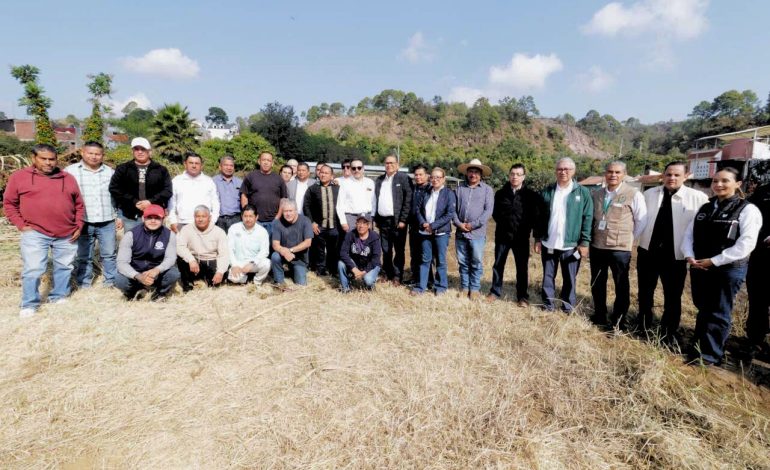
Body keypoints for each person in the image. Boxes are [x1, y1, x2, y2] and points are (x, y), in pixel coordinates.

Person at [683, 167, 762, 365]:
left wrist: (716, 260)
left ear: (738, 184)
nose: (719, 185)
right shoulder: (705, 207)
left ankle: (710, 355)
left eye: (725, 181)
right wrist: (689, 255)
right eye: (715, 181)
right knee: (703, 308)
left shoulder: (747, 209)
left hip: (727, 269)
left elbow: (746, 244)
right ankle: (698, 346)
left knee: (718, 311)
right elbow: (688, 235)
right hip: (700, 266)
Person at [4, 144, 84, 317]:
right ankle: (29, 304)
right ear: (34, 158)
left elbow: (79, 204)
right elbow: (9, 204)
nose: (48, 163)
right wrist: (21, 225)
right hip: (35, 233)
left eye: (52, 159)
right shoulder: (19, 177)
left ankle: (59, 295)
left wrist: (79, 225)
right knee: (33, 268)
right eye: (44, 159)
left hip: (66, 232)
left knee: (64, 266)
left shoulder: (67, 178)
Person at [636, 161, 708, 341]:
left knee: (673, 296)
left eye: (677, 175)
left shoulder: (697, 197)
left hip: (675, 255)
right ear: (663, 175)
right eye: (668, 174)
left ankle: (668, 332)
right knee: (645, 292)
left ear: (686, 176)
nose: (672, 178)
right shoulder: (650, 194)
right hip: (648, 251)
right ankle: (643, 325)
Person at [588, 161, 646, 330]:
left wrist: (630, 239)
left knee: (621, 284)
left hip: (619, 249)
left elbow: (641, 220)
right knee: (597, 282)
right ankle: (599, 315)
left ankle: (618, 319)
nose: (613, 175)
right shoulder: (596, 193)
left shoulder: (634, 194)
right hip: (598, 245)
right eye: (610, 171)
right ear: (605, 173)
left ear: (624, 174)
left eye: (617, 172)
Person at [534, 157, 593, 313]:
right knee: (548, 276)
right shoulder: (547, 192)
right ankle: (548, 305)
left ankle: (567, 307)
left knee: (569, 278)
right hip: (549, 243)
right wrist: (538, 238)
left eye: (567, 169)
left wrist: (585, 242)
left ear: (573, 171)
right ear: (556, 171)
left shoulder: (582, 192)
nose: (563, 172)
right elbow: (538, 217)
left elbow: (588, 218)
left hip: (571, 245)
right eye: (560, 169)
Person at [64, 141, 121, 288]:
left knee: (109, 254)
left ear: (102, 155)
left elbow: (117, 196)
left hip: (106, 220)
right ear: (82, 152)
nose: (94, 157)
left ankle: (110, 281)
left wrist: (118, 215)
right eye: (90, 153)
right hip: (83, 221)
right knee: (84, 255)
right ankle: (84, 282)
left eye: (98, 154)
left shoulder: (110, 172)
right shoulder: (70, 171)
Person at [488, 163, 540, 306]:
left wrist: (535, 236)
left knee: (522, 268)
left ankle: (522, 296)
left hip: (522, 238)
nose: (514, 177)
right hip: (502, 237)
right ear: (509, 175)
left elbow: (535, 217)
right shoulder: (500, 193)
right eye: (512, 174)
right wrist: (506, 225)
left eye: (518, 174)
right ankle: (494, 291)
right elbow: (495, 214)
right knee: (498, 265)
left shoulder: (531, 196)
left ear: (523, 177)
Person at [115, 204, 180, 300]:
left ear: (163, 219)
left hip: (156, 272)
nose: (153, 221)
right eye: (149, 217)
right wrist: (137, 276)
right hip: (135, 272)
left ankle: (159, 293)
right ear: (142, 218)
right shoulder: (130, 235)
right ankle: (132, 294)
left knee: (174, 274)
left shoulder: (170, 235)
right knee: (119, 279)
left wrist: (157, 270)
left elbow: (170, 258)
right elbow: (121, 263)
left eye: (157, 218)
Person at [109, 137, 172, 231]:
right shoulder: (123, 169)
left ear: (149, 151)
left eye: (143, 149)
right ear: (132, 151)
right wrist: (134, 201)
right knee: (133, 243)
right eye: (136, 149)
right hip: (131, 216)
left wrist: (150, 201)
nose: (140, 152)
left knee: (155, 244)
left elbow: (167, 191)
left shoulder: (160, 170)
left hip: (154, 216)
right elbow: (114, 189)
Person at [411, 168, 456, 296]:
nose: (435, 180)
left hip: (441, 233)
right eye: (433, 177)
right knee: (425, 260)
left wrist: (433, 225)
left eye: (438, 177)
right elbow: (418, 210)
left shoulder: (449, 193)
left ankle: (441, 287)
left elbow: (449, 214)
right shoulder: (427, 192)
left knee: (440, 261)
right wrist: (423, 223)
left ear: (443, 179)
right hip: (425, 232)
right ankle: (421, 287)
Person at [453, 159, 494, 300]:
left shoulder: (487, 190)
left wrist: (473, 225)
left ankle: (475, 288)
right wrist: (459, 224)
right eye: (471, 171)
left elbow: (488, 212)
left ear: (481, 174)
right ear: (467, 173)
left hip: (477, 233)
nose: (473, 174)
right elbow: (452, 210)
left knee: (476, 262)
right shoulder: (459, 189)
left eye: (476, 172)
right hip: (460, 232)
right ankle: (465, 287)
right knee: (463, 262)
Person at [374, 155, 412, 285]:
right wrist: (376, 219)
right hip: (383, 221)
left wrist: (403, 219)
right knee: (385, 249)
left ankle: (397, 276)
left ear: (397, 165)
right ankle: (387, 273)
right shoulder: (379, 180)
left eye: (391, 163)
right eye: (386, 163)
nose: (389, 165)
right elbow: (375, 199)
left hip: (397, 221)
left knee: (399, 249)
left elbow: (408, 200)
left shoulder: (403, 178)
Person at [176, 205, 229, 291]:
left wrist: (220, 271)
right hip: (194, 263)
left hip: (211, 262)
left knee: (214, 285)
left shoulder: (219, 232)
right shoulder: (186, 229)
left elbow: (224, 254)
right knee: (181, 259)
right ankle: (188, 285)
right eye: (198, 216)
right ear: (194, 217)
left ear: (209, 218)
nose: (200, 219)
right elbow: (179, 246)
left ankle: (207, 281)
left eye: (203, 216)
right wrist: (191, 260)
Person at [746, 181, 770, 359]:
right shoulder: (763, 191)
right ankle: (754, 342)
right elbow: (748, 214)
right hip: (761, 256)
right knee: (757, 301)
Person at [240, 152, 288, 239]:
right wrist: (247, 215)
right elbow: (244, 195)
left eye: (268, 160)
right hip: (255, 221)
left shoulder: (279, 179)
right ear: (259, 161)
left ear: (272, 163)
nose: (266, 162)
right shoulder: (251, 176)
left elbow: (283, 199)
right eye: (263, 160)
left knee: (272, 246)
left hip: (273, 221)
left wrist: (278, 216)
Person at [168, 152, 219, 233]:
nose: (194, 166)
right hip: (182, 224)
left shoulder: (209, 181)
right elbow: (171, 203)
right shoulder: (176, 181)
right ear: (185, 164)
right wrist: (173, 221)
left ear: (201, 165)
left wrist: (212, 221)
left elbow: (215, 203)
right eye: (191, 163)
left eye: (197, 163)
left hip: (205, 225)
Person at [303, 164, 340, 276]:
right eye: (321, 172)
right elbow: (306, 206)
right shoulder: (312, 189)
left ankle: (333, 270)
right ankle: (320, 270)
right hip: (319, 225)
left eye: (326, 173)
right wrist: (312, 222)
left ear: (332, 175)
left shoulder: (337, 189)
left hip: (334, 225)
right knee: (319, 249)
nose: (323, 174)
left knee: (333, 249)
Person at [271, 199, 314, 287]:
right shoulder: (278, 223)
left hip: (299, 258)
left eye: (290, 211)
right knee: (275, 256)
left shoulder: (305, 221)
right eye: (285, 211)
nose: (288, 214)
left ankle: (294, 270)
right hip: (283, 255)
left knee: (301, 284)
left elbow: (308, 243)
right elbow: (275, 244)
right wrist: (283, 251)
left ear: (296, 211)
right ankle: (279, 281)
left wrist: (290, 250)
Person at [227, 205, 271, 286]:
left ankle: (256, 282)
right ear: (242, 216)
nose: (248, 219)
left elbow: (264, 251)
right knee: (234, 278)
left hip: (254, 263)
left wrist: (252, 263)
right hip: (239, 263)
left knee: (267, 263)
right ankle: (247, 279)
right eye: (245, 216)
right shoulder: (233, 228)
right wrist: (234, 265)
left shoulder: (262, 231)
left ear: (256, 217)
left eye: (251, 216)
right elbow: (229, 249)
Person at [338, 214, 382, 292]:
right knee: (341, 263)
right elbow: (343, 253)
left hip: (370, 265)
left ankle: (371, 283)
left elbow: (376, 258)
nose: (361, 226)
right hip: (356, 264)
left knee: (368, 280)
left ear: (368, 225)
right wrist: (354, 268)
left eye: (364, 223)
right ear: (356, 224)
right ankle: (346, 288)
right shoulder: (351, 235)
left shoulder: (374, 237)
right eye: (359, 223)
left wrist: (364, 272)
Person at [408, 164, 434, 287]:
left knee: (426, 255)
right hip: (413, 226)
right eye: (416, 175)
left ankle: (429, 281)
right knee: (414, 254)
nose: (418, 177)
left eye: (420, 174)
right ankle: (415, 278)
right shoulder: (413, 188)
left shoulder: (431, 189)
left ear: (427, 175)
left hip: (425, 226)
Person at [336, 158, 376, 230]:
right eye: (354, 168)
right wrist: (343, 222)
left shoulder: (370, 182)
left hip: (367, 217)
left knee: (367, 241)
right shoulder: (345, 183)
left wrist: (372, 218)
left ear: (363, 169)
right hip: (351, 219)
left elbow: (374, 202)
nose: (356, 170)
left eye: (359, 168)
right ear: (351, 170)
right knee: (352, 241)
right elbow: (340, 205)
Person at [213, 155, 243, 233]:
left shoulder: (240, 182)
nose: (229, 168)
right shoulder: (212, 181)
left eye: (231, 165)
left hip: (236, 219)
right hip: (218, 220)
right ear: (220, 167)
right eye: (226, 165)